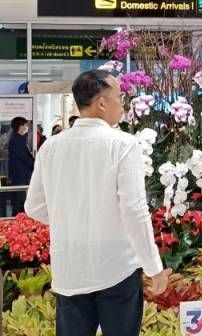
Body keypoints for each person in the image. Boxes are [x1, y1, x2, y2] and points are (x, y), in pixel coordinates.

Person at [25, 70, 169, 334]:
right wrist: (153, 267)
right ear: (102, 103)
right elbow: (134, 210)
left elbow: (33, 206)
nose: (123, 104)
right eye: (119, 97)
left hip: (70, 269)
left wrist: (71, 217)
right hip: (117, 268)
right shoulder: (123, 144)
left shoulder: (51, 147)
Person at [8, 117, 34, 215]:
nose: (26, 127)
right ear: (20, 126)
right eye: (25, 125)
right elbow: (24, 157)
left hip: (21, 173)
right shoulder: (16, 140)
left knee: (20, 199)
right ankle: (17, 220)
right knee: (19, 200)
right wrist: (35, 164)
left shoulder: (18, 138)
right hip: (20, 173)